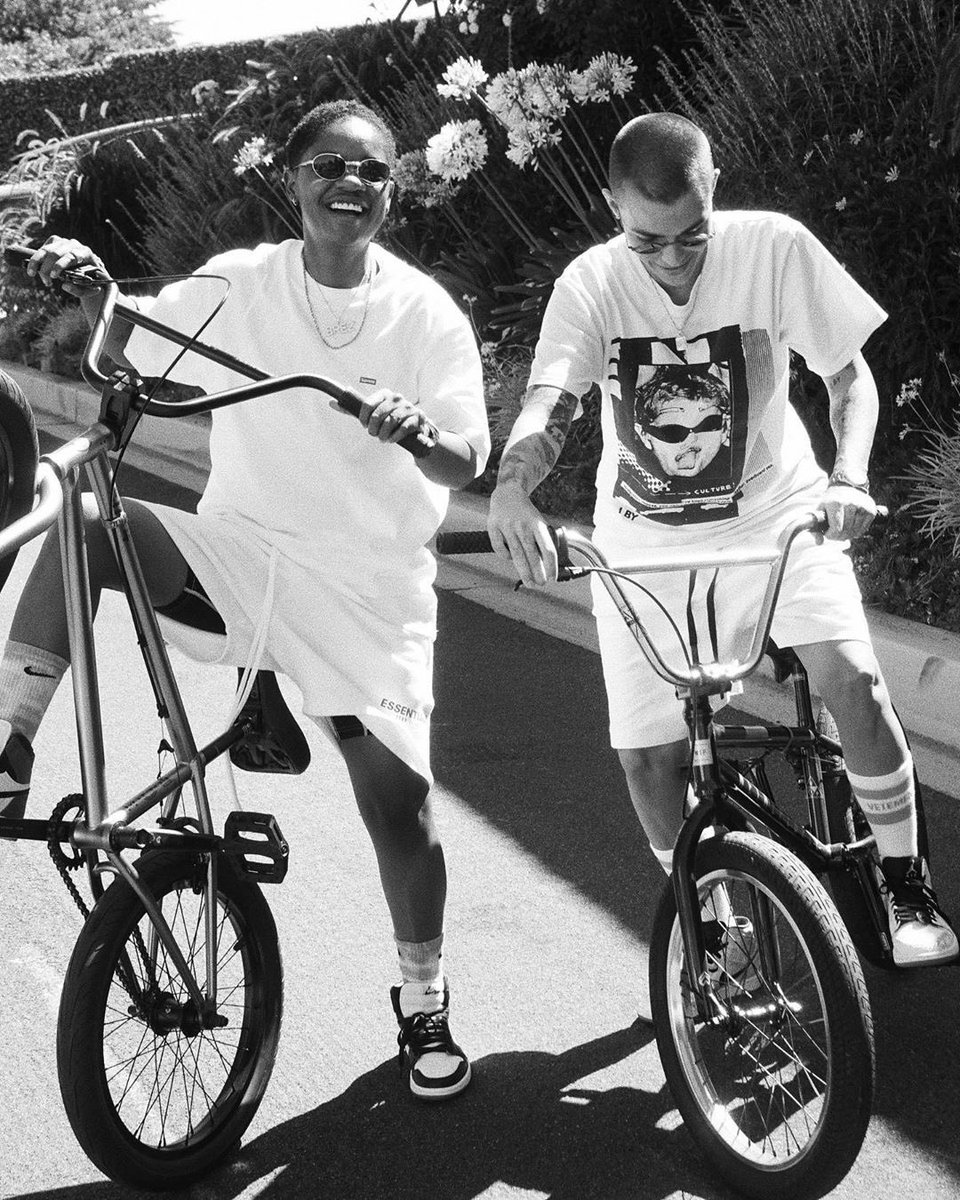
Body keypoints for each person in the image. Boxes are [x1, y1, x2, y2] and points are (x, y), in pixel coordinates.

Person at [0, 99, 491, 1095]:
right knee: (90, 520)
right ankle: (9, 745)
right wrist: (88, 286)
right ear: (295, 180)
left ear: (393, 191)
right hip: (241, 552)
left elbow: (466, 451)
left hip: (367, 587)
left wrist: (412, 431)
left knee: (401, 810)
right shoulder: (239, 285)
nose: (350, 185)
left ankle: (423, 997)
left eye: (373, 173)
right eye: (330, 167)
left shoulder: (425, 311)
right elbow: (125, 338)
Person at [488, 111, 958, 968]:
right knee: (644, 760)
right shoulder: (591, 283)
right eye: (646, 238)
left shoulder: (774, 248)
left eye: (691, 236)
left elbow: (847, 374)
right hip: (643, 543)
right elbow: (551, 400)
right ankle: (711, 923)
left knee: (852, 678)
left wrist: (850, 477)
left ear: (716, 192)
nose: (671, 258)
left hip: (776, 513)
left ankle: (904, 882)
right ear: (610, 206)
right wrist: (513, 489)